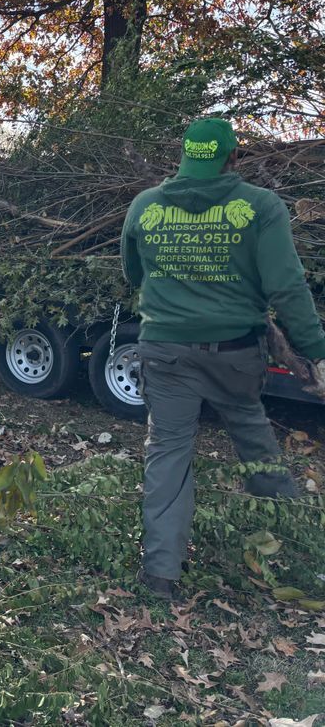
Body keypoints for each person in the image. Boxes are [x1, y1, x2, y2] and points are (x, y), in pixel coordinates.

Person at [121, 117, 325, 601]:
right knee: (254, 442)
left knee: (168, 454)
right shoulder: (260, 207)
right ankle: (296, 548)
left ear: (186, 156)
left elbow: (134, 275)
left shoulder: (145, 206)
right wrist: (316, 351)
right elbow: (286, 287)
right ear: (233, 157)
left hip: (165, 353)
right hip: (235, 355)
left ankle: (161, 576)